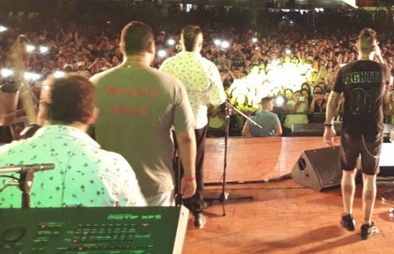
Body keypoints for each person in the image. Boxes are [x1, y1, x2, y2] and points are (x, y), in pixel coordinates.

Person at [90, 21, 197, 207]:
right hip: (155, 186)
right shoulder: (172, 85)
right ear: (151, 46)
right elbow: (186, 138)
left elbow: (83, 134)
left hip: (108, 185)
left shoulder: (95, 84)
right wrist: (190, 176)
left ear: (121, 46)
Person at [0, 74, 146, 208]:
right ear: (92, 116)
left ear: (42, 112)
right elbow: (138, 220)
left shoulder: (4, 157)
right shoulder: (115, 167)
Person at [323, 28, 390, 240]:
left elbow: (333, 99)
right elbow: (388, 88)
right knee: (370, 178)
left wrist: (328, 125)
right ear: (375, 47)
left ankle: (347, 215)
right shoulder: (383, 69)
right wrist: (379, 56)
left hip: (350, 129)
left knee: (348, 172)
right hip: (372, 131)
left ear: (356, 46)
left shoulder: (345, 70)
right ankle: (367, 224)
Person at [159, 24, 226, 228]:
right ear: (201, 43)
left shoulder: (168, 64)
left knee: (171, 165)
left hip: (171, 123)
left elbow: (161, 92)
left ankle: (173, 205)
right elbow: (218, 98)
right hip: (196, 122)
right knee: (195, 166)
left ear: (181, 42)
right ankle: (196, 211)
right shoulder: (207, 67)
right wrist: (205, 96)